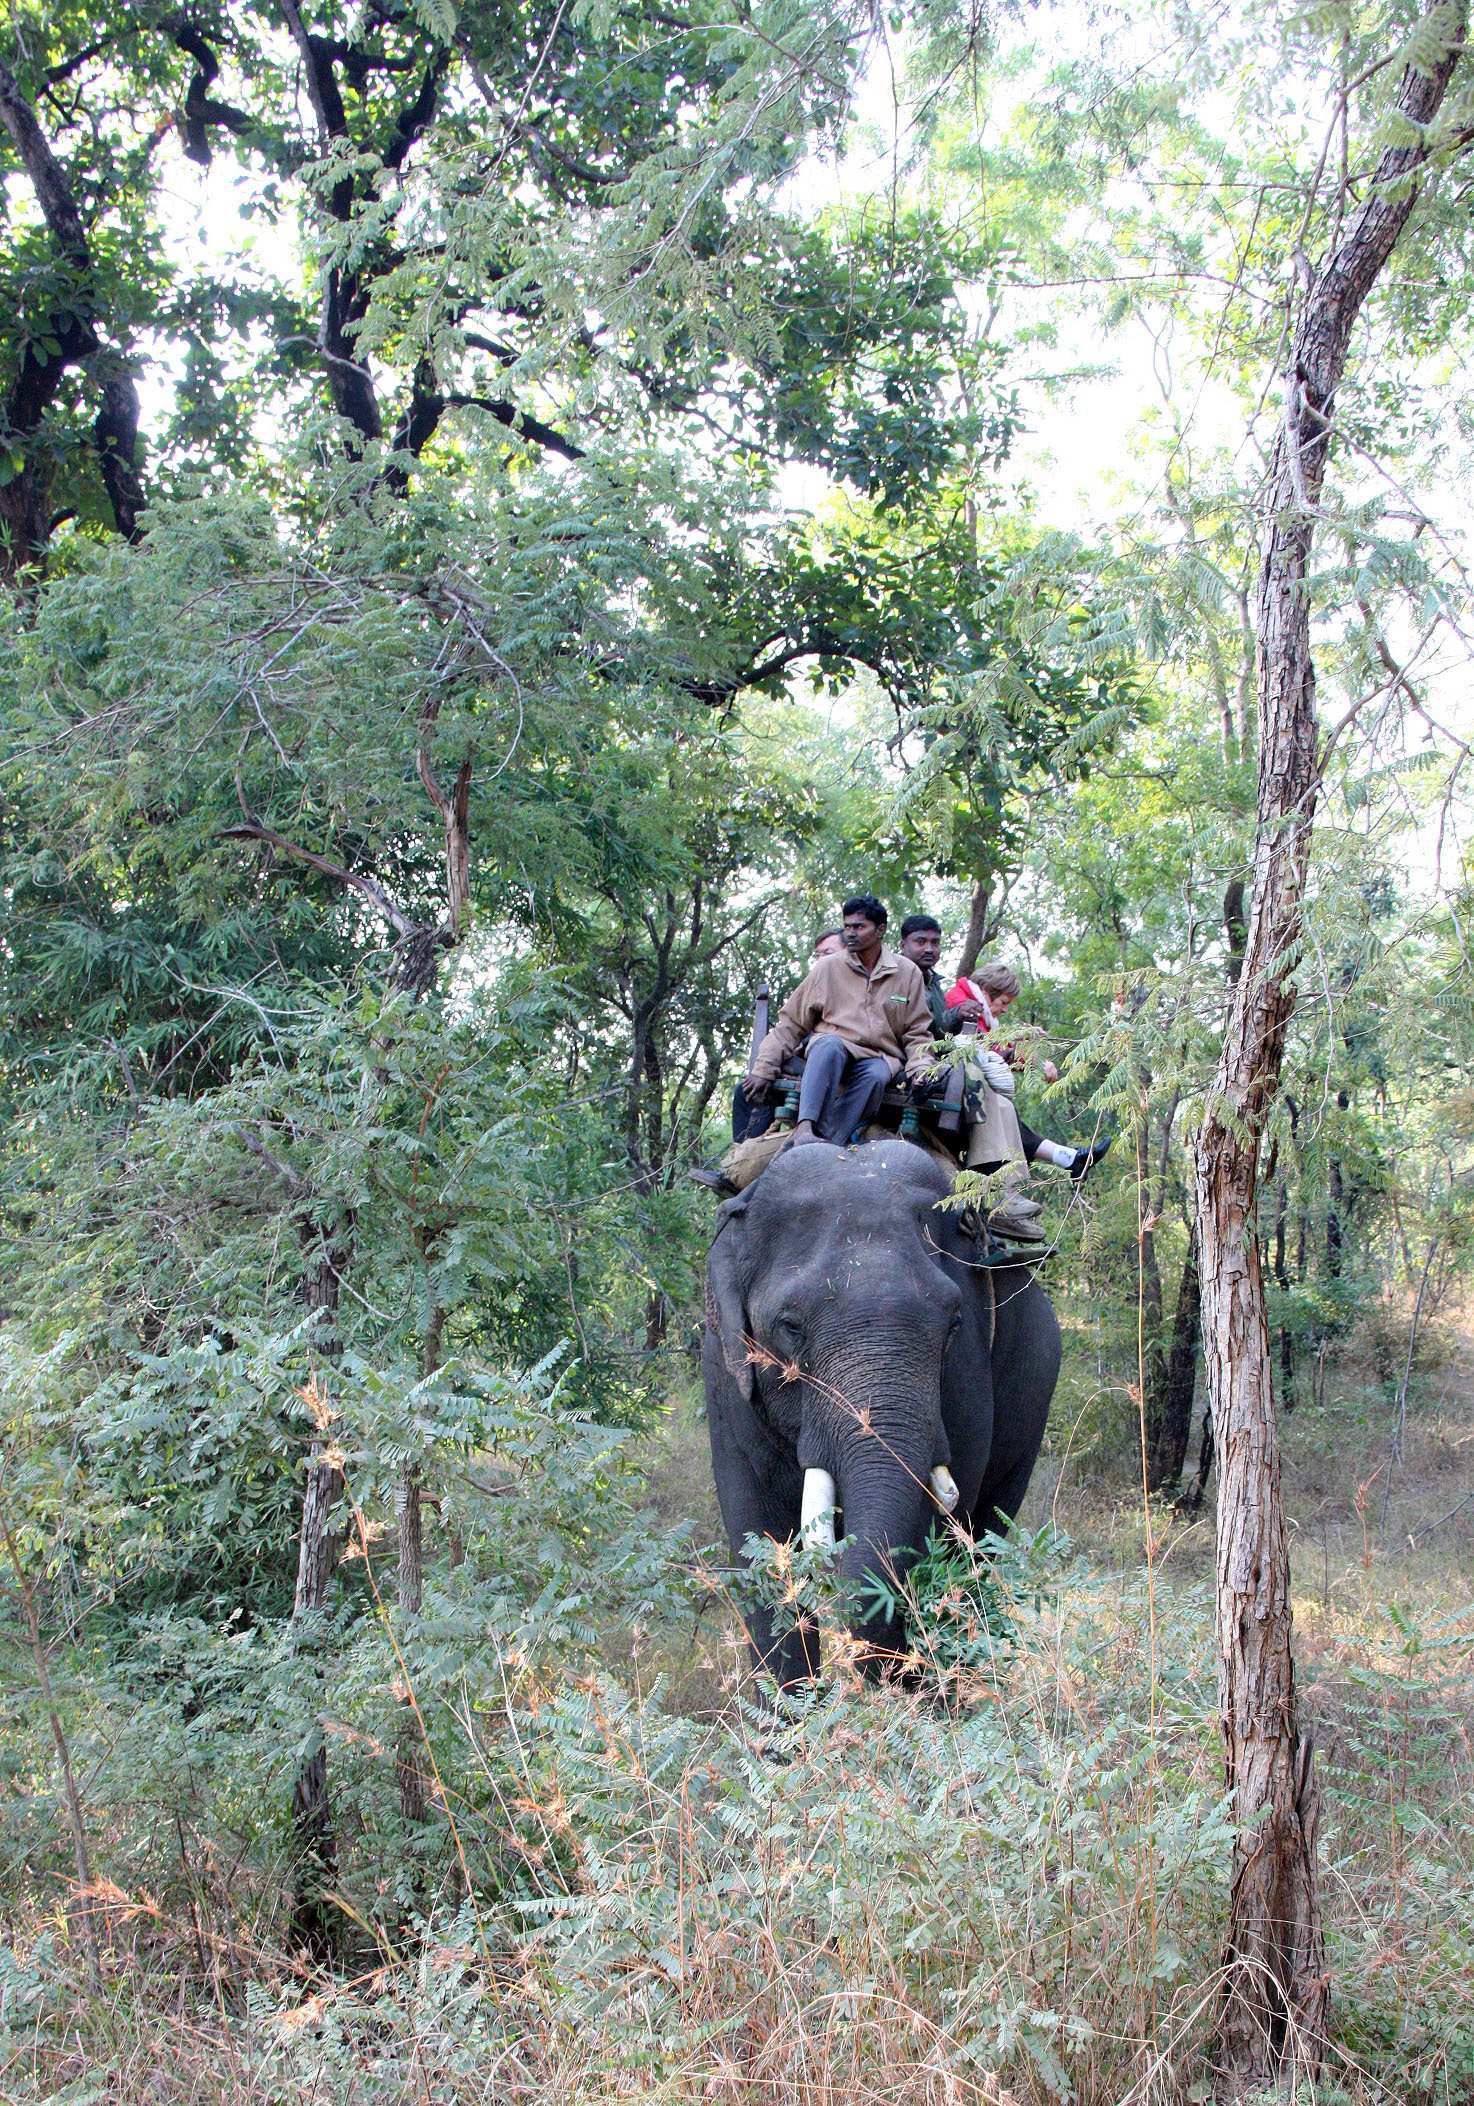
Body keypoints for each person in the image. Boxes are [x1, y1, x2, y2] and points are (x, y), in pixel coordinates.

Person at [743, 895, 935, 1146]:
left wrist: (921, 1069)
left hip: (879, 1054)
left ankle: (831, 1143)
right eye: (847, 927)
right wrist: (763, 1068)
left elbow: (917, 1032)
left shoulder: (907, 972)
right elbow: (791, 1023)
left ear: (880, 931)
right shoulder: (828, 967)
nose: (851, 933)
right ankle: (804, 1129)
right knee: (828, 1047)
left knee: (877, 1075)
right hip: (834, 1043)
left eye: (859, 927)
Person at [946, 962, 1112, 1181]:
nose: (1005, 1009)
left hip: (969, 1082)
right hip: (957, 1083)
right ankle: (1061, 1160)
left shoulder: (979, 1010)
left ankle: (1068, 1158)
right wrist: (1034, 1060)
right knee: (1003, 1107)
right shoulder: (962, 1002)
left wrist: (1026, 1045)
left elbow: (994, 1051)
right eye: (1003, 1002)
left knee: (1006, 1107)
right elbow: (986, 1049)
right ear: (986, 989)